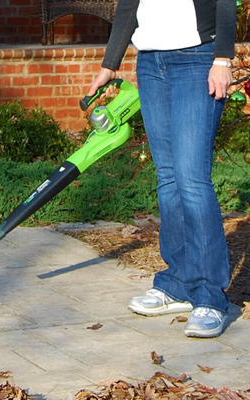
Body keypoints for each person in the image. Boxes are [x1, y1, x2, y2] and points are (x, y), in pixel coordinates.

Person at [87, 0, 236, 338]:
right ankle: (178, 283)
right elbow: (128, 5)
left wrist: (223, 59)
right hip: (151, 62)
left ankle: (211, 296)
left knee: (192, 179)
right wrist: (110, 64)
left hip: (199, 59)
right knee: (168, 178)